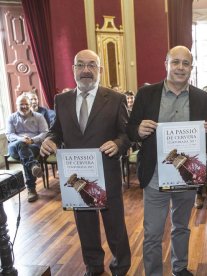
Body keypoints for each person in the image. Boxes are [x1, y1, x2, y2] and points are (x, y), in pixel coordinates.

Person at [127, 45, 207, 276]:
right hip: (156, 172)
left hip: (186, 173)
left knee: (181, 226)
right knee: (153, 232)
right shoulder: (146, 94)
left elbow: (206, 137)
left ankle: (180, 268)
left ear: (191, 67)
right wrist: (138, 130)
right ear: (166, 64)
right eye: (175, 62)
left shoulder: (201, 97)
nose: (180, 67)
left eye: (185, 63)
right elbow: (129, 129)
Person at [40, 49, 131, 276]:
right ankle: (93, 267)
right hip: (77, 177)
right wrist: (50, 140)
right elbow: (56, 131)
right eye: (81, 65)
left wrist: (118, 144)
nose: (86, 70)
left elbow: (126, 134)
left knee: (115, 228)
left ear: (100, 70)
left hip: (106, 174)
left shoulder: (115, 99)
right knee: (86, 227)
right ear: (73, 70)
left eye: (92, 65)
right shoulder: (61, 100)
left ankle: (121, 268)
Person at [6, 94, 47, 202]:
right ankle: (33, 166)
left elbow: (45, 132)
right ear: (16, 105)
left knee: (25, 154)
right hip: (15, 146)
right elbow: (9, 135)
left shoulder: (39, 116)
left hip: (33, 145)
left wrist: (32, 140)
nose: (24, 106)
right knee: (21, 145)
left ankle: (31, 189)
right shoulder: (11, 117)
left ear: (30, 105)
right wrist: (21, 139)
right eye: (21, 104)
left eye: (26, 104)